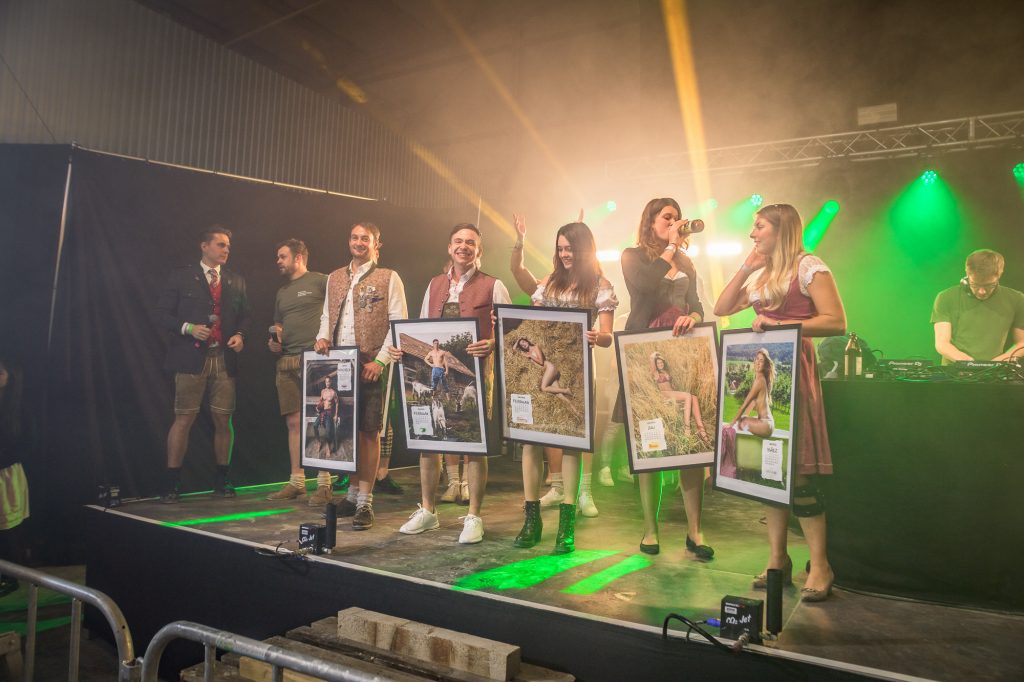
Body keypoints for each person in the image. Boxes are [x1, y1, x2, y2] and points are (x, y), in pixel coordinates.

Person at [714, 203, 847, 602]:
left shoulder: (809, 267)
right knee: (767, 469)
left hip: (794, 369)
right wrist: (746, 265)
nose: (752, 234)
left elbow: (836, 321)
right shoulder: (762, 274)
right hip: (766, 366)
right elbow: (722, 308)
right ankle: (778, 558)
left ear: (781, 230)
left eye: (759, 227)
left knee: (798, 472)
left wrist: (780, 323)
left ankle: (820, 565)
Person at [392, 223, 511, 544]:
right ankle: (428, 510)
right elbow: (420, 328)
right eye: (458, 241)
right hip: (435, 372)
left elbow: (510, 331)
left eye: (470, 242)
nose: (463, 246)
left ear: (479, 250)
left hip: (476, 373)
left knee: (474, 445)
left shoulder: (494, 285)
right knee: (429, 440)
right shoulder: (435, 284)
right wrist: (402, 348)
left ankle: (473, 516)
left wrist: (492, 343)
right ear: (449, 247)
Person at [513, 221, 617, 554]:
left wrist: (597, 336)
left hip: (579, 369)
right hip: (543, 363)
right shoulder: (548, 283)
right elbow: (533, 323)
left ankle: (566, 523)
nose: (564, 254)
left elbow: (608, 336)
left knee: (572, 441)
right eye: (560, 249)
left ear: (585, 249)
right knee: (531, 438)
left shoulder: (600, 285)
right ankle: (531, 519)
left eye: (570, 248)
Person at [617, 198, 712, 559]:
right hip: (645, 348)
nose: (674, 223)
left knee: (690, 448)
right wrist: (671, 247)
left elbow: (697, 304)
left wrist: (694, 318)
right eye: (667, 218)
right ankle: (650, 529)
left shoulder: (686, 262)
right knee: (651, 440)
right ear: (651, 222)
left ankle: (695, 532)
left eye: (677, 218)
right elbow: (644, 286)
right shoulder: (632, 256)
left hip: (683, 349)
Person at [315, 222, 407, 530]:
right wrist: (322, 337)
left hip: (370, 364)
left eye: (365, 238)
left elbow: (398, 323)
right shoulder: (334, 277)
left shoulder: (389, 277)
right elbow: (327, 315)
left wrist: (380, 362)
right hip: (341, 364)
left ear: (376, 244)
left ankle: (366, 501)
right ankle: (353, 494)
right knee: (348, 432)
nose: (358, 242)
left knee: (369, 432)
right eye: (354, 237)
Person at [156, 227, 251, 502]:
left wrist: (239, 335)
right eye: (221, 244)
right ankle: (172, 482)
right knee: (184, 418)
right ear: (204, 246)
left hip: (223, 358)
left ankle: (222, 479)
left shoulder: (235, 280)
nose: (226, 250)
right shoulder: (182, 276)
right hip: (190, 357)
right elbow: (162, 314)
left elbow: (246, 316)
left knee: (224, 419)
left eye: (228, 246)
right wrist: (188, 328)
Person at [265, 239, 337, 506]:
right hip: (287, 361)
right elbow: (279, 324)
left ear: (298, 258)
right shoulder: (282, 291)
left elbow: (336, 312)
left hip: (315, 360)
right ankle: (297, 481)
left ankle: (324, 482)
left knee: (320, 419)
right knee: (294, 423)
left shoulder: (321, 281)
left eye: (282, 256)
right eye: (277, 256)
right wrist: (275, 341)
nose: (278, 261)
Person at [932, 249, 1024, 364]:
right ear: (967, 274)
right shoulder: (946, 297)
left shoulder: (1017, 299)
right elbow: (942, 343)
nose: (982, 291)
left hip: (995, 371)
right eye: (975, 285)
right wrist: (969, 363)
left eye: (989, 285)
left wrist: (999, 362)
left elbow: (1022, 343)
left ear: (1000, 275)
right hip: (953, 371)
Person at [0, 356, 31, 596]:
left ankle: (9, 577)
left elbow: (23, 443)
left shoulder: (15, 407)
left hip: (5, 474)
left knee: (6, 528)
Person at [650, 351, 708, 440]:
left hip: (672, 393)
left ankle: (701, 429)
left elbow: (671, 385)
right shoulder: (655, 373)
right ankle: (687, 428)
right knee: (688, 395)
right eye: (658, 363)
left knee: (694, 398)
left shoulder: (665, 371)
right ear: (655, 365)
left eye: (661, 362)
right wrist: (657, 353)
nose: (660, 364)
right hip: (665, 394)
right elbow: (651, 357)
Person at [729, 348, 775, 437]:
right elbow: (753, 402)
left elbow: (744, 405)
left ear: (765, 364)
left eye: (761, 361)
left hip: (766, 425)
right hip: (767, 425)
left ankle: (743, 434)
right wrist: (744, 417)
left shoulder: (760, 380)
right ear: (754, 360)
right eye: (757, 359)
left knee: (742, 423)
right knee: (742, 420)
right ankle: (745, 432)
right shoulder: (760, 378)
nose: (758, 362)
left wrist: (731, 424)